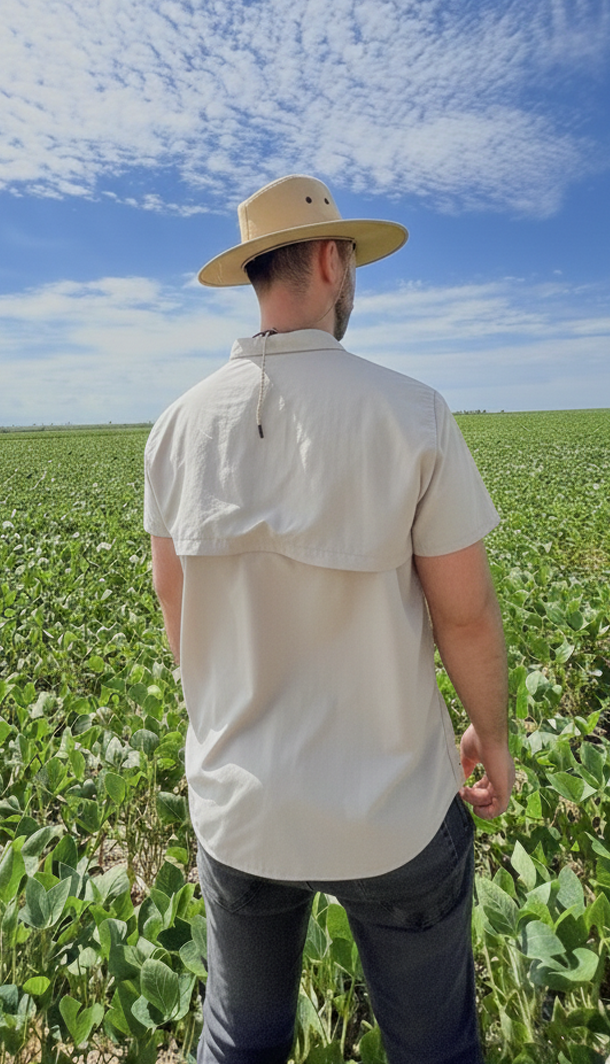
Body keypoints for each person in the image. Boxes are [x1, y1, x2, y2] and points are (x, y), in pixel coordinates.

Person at [143, 174, 515, 1064]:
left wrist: (223, 729)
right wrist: (492, 735)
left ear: (255, 275)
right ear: (328, 262)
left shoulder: (176, 427)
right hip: (393, 808)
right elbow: (465, 615)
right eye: (350, 259)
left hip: (241, 805)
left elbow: (173, 601)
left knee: (240, 1040)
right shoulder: (413, 413)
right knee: (433, 1050)